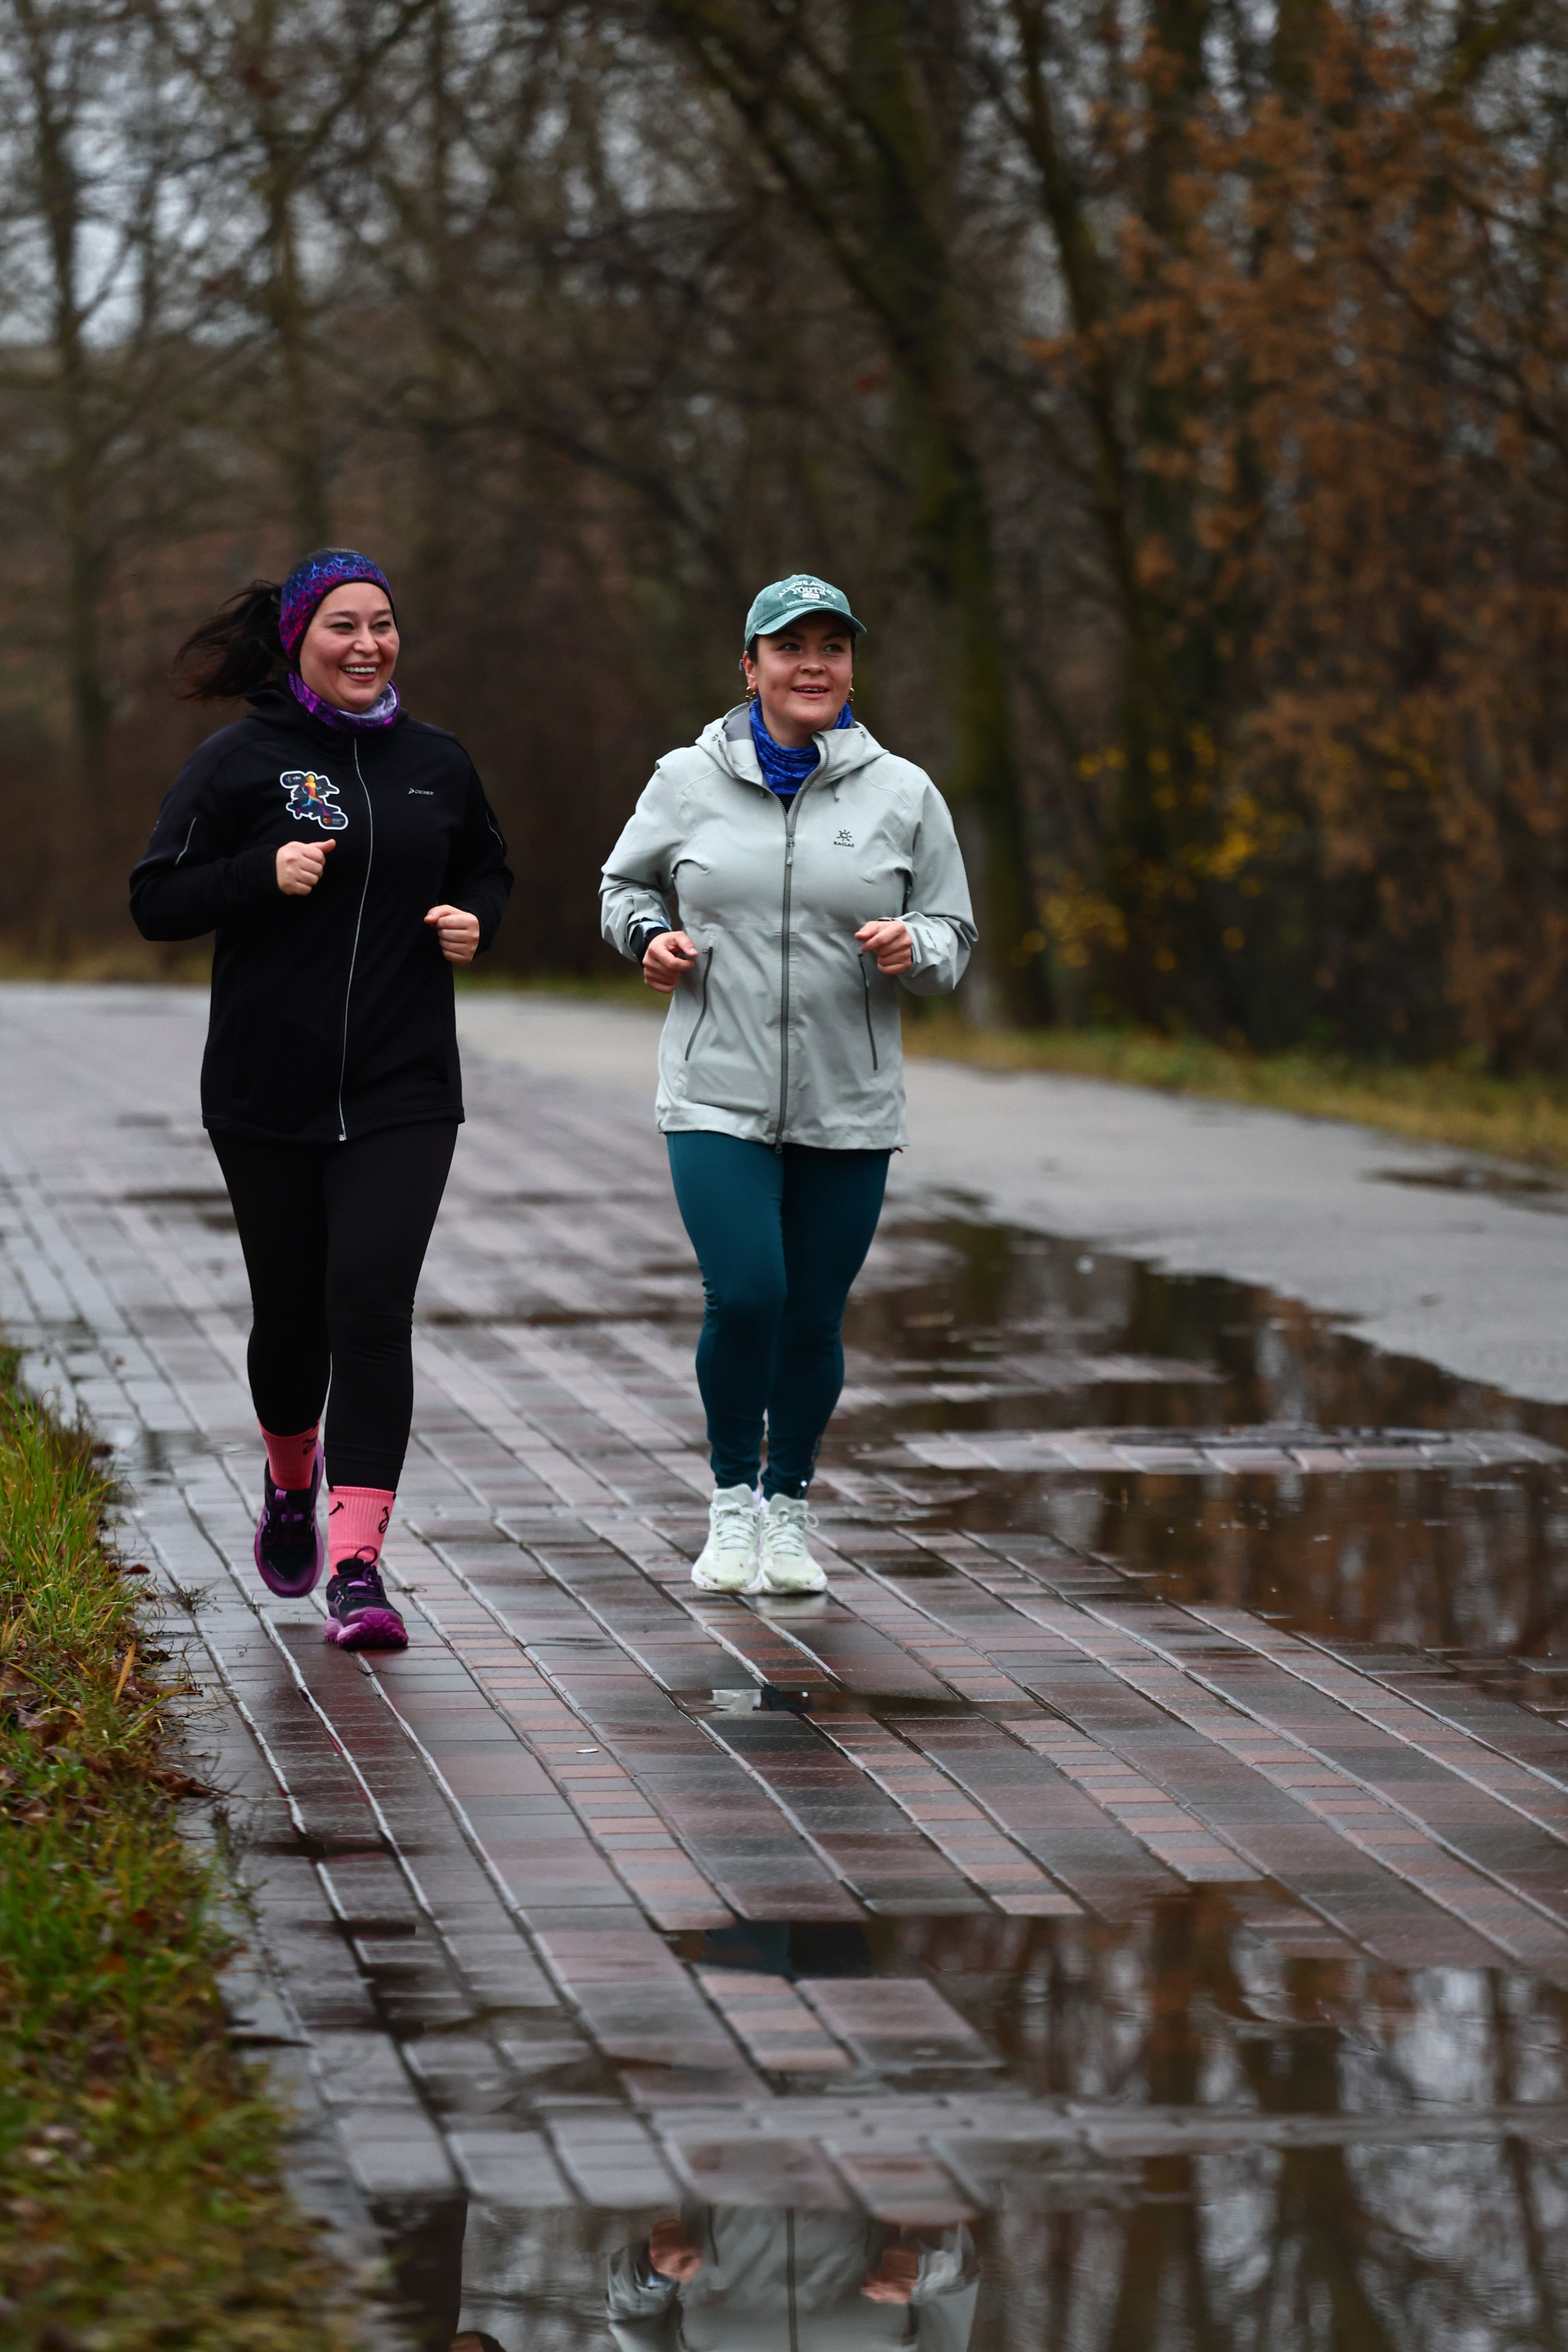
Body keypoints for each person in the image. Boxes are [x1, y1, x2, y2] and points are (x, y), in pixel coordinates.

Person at [130, 549, 512, 1651]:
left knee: (370, 1305)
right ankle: (290, 1478)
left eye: (383, 624)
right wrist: (259, 875)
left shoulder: (437, 760)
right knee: (292, 1322)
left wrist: (474, 917)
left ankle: (357, 1567)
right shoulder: (240, 760)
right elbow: (155, 899)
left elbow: (488, 866)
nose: (367, 644)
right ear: (301, 636)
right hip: (267, 1091)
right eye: (344, 624)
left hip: (405, 1087)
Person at [600, 573, 974, 1594]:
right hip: (714, 1090)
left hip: (848, 1101)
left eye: (832, 648)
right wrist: (651, 938)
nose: (813, 665)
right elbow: (624, 884)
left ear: (851, 666)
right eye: (790, 647)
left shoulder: (903, 793)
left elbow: (954, 927)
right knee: (748, 1294)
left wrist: (915, 946)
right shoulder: (686, 778)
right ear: (751, 665)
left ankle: (789, 1509)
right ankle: (729, 1506)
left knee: (811, 1316)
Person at [604, 2204, 980, 2351]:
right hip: (848, 2120)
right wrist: (924, 2271)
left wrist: (656, 2273)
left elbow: (632, 2314)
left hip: (722, 2132)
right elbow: (958, 2274)